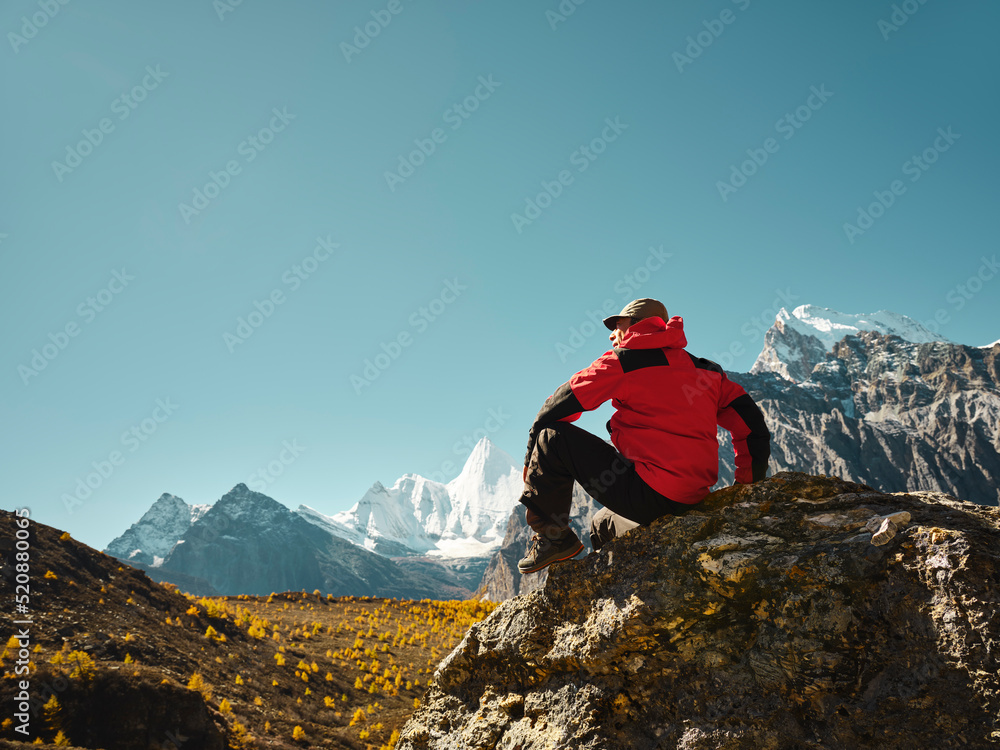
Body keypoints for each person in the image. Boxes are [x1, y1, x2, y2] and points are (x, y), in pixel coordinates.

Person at [517, 298, 771, 574]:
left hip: (650, 494)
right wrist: (747, 486)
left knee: (551, 436)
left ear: (638, 326)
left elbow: (557, 405)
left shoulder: (623, 362)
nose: (612, 333)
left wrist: (531, 462)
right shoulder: (707, 370)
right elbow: (752, 425)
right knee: (601, 523)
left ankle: (553, 539)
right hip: (690, 498)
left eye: (618, 325)